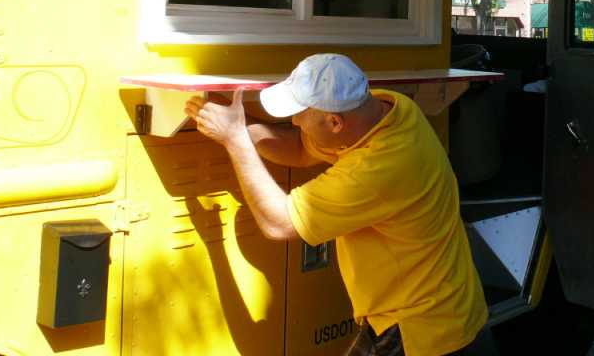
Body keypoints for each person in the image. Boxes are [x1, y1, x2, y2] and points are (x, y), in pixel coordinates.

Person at [185, 53, 492, 356]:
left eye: (300, 113)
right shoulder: (391, 110)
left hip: (422, 331)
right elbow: (300, 148)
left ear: (334, 122)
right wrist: (233, 125)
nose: (294, 121)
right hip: (452, 309)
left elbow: (278, 223)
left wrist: (235, 141)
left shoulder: (377, 170)